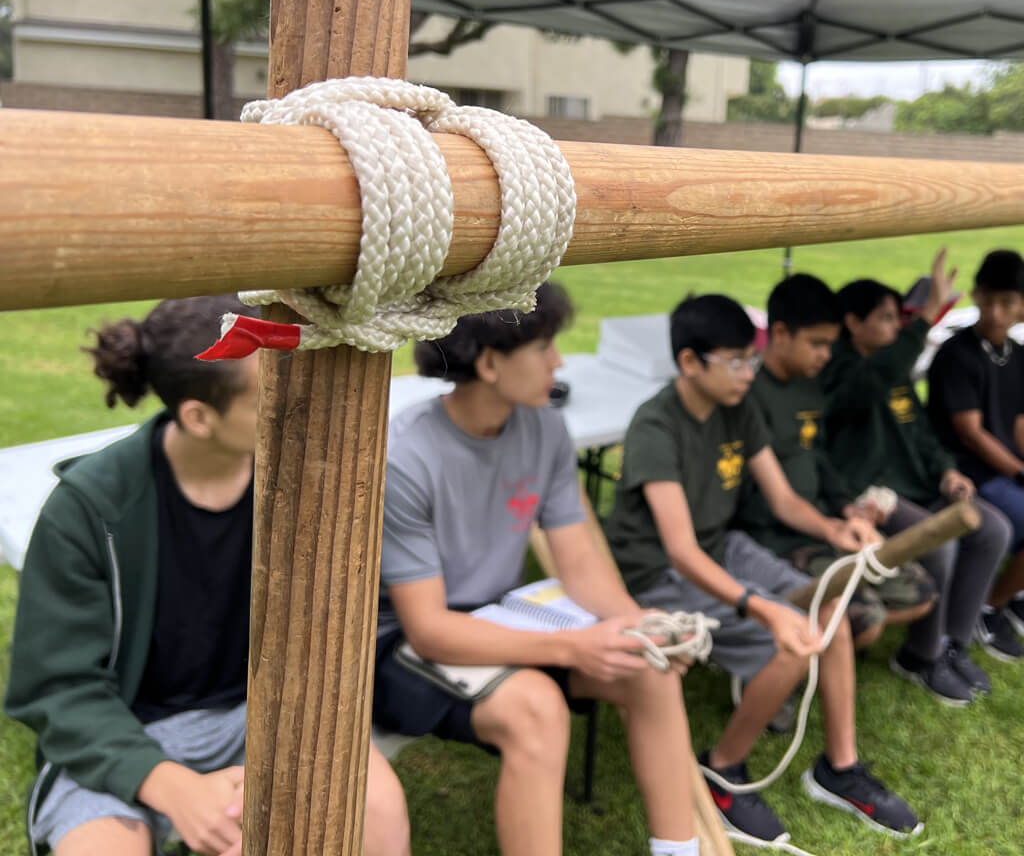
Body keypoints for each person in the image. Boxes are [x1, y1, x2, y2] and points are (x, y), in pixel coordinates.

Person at [5, 296, 410, 856]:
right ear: (199, 416)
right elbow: (57, 689)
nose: (299, 401)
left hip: (259, 714)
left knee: (379, 806)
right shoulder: (88, 509)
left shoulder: (302, 479)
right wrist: (171, 784)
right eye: (274, 392)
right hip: (126, 732)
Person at [373, 282, 701, 856]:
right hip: (406, 641)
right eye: (545, 346)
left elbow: (578, 560)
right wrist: (577, 649)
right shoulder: (407, 458)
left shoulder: (544, 426)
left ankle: (680, 850)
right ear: (492, 362)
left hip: (505, 614)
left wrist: (638, 627)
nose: (560, 361)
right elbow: (429, 629)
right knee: (537, 710)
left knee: (647, 667)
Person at [604, 293, 920, 846]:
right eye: (735, 361)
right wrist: (760, 607)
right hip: (654, 572)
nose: (748, 372)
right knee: (792, 639)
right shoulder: (655, 425)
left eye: (750, 359)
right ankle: (723, 769)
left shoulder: (738, 406)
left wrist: (833, 530)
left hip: (721, 546)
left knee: (832, 611)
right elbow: (679, 550)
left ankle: (838, 769)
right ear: (689, 363)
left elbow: (781, 498)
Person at [822, 250, 1018, 710]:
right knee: (939, 541)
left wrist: (947, 471)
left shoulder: (894, 374)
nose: (897, 327)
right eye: (887, 319)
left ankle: (953, 641)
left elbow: (922, 434)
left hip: (918, 486)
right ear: (853, 323)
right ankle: (920, 655)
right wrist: (928, 314)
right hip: (871, 495)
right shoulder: (843, 372)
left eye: (900, 319)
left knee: (993, 529)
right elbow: (878, 376)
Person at [739, 273, 936, 651]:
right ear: (779, 334)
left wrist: (850, 510)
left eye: (829, 344)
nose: (827, 355)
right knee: (867, 618)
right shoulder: (748, 397)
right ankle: (798, 642)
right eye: (817, 344)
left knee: (922, 592)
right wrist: (829, 527)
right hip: (775, 539)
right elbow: (768, 498)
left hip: (823, 525)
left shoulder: (810, 386)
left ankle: (822, 635)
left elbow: (820, 460)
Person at [927, 248, 1024, 654]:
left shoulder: (1017, 355)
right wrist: (1020, 473)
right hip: (969, 471)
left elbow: (1018, 421)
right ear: (977, 296)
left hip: (1003, 468)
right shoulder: (957, 354)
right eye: (990, 300)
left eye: (1008, 303)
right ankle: (989, 605)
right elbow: (970, 434)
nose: (996, 312)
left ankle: (1009, 595)